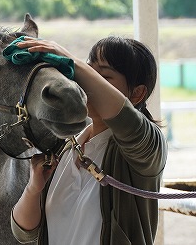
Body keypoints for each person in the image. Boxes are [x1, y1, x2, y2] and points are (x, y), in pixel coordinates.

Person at [10, 36, 168, 245]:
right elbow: (23, 232)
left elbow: (125, 117)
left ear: (137, 94)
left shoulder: (147, 147)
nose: (81, 83)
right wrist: (33, 188)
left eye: (102, 76)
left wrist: (70, 60)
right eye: (86, 70)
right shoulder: (67, 146)